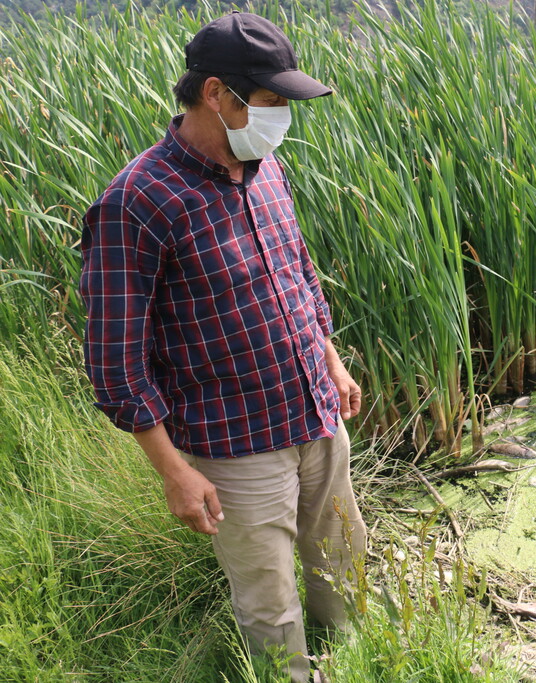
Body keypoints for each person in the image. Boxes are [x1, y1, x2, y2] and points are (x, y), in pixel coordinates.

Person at [79, 12, 367, 682]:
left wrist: (330, 357)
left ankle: (356, 658)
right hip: (237, 445)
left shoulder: (265, 168)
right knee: (269, 600)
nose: (281, 118)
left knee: (343, 557)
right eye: (270, 102)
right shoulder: (138, 202)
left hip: (315, 410)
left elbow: (297, 271)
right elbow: (114, 363)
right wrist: (174, 472)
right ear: (216, 94)